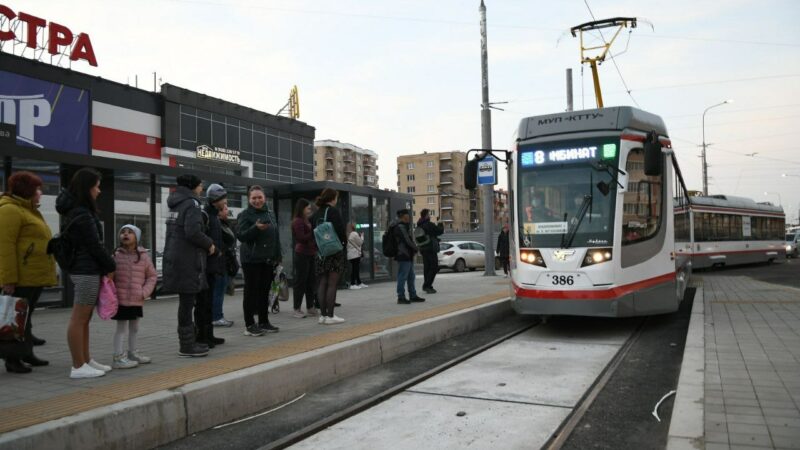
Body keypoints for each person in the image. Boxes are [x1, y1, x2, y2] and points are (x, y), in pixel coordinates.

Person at [56, 168, 117, 378]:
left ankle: (86, 359)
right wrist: (111, 265)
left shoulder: (77, 210)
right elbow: (94, 245)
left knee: (85, 318)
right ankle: (78, 366)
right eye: (97, 186)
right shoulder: (81, 213)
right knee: (79, 318)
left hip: (86, 269)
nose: (99, 191)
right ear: (87, 187)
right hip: (85, 270)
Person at [0, 171, 57, 373]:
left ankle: (26, 354)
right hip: (21, 277)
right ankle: (12, 359)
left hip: (32, 275)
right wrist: (9, 279)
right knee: (16, 319)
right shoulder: (10, 210)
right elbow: (5, 248)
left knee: (26, 318)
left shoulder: (28, 210)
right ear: (27, 190)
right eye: (37, 189)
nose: (40, 193)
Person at [163, 174, 213, 357]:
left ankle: (188, 343)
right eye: (201, 186)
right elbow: (193, 232)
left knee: (185, 303)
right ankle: (187, 346)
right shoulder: (192, 204)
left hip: (175, 256)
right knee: (187, 303)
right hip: (188, 259)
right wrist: (210, 244)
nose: (202, 189)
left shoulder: (175, 203)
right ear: (194, 187)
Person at [110, 225, 156, 369]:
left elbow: (152, 276)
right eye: (122, 232)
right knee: (121, 328)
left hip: (137, 298)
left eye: (130, 232)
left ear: (137, 237)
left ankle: (132, 353)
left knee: (134, 327)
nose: (125, 234)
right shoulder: (115, 255)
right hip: (121, 299)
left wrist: (144, 292)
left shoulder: (143, 256)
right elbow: (109, 277)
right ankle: (118, 357)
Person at [236, 185, 281, 336]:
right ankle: (249, 325)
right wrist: (255, 228)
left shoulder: (270, 213)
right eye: (253, 198)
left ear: (265, 198)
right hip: (251, 259)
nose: (257, 200)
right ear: (249, 199)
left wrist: (278, 256)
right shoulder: (245, 215)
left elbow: (275, 235)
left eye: (259, 197)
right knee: (251, 292)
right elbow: (241, 236)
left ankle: (264, 322)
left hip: (267, 259)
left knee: (264, 292)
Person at [196, 184, 228, 348]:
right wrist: (213, 249)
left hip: (213, 265)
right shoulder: (206, 215)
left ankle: (209, 334)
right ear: (216, 199)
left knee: (208, 303)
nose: (226, 201)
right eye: (224, 198)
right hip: (205, 266)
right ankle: (201, 336)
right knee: (202, 303)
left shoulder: (214, 215)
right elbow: (200, 238)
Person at [311, 188, 347, 324]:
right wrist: (343, 244)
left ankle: (323, 316)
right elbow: (340, 230)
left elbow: (312, 233)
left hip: (321, 252)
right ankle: (331, 316)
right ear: (333, 198)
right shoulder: (332, 211)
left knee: (322, 282)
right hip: (334, 251)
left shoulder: (316, 213)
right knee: (332, 283)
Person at [291, 198, 318, 318]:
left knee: (311, 281)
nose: (309, 210)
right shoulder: (298, 221)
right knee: (300, 281)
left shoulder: (306, 220)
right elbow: (301, 238)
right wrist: (313, 232)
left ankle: (310, 307)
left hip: (311, 253)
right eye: (308, 208)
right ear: (302, 208)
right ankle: (297, 308)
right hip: (302, 254)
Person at [393, 209, 425, 305]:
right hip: (403, 254)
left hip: (407, 255)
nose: (409, 218)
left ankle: (413, 295)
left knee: (411, 276)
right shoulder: (400, 227)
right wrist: (416, 248)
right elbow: (407, 240)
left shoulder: (403, 226)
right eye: (407, 216)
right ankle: (401, 297)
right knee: (402, 276)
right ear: (403, 216)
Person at [212, 200, 236, 327]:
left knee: (220, 289)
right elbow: (229, 239)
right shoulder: (218, 225)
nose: (228, 211)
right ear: (220, 212)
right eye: (225, 208)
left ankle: (217, 315)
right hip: (220, 263)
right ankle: (217, 316)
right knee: (218, 290)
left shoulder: (225, 224)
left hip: (223, 262)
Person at [416, 209, 444, 294]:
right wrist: (440, 223)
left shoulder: (419, 225)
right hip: (430, 248)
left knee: (427, 268)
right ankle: (427, 285)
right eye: (429, 214)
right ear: (426, 215)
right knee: (434, 267)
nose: (430, 216)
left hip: (423, 249)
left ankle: (428, 286)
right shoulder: (429, 225)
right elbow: (439, 231)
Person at [346, 223, 367, 290]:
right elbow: (360, 242)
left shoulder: (348, 234)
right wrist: (362, 236)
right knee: (355, 269)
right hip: (355, 254)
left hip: (351, 254)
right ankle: (353, 283)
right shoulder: (354, 234)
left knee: (355, 268)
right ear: (353, 227)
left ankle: (359, 282)